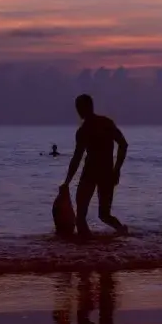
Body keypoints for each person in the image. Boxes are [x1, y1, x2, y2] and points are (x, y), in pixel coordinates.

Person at [61, 94, 128, 238]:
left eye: (79, 107)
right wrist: (116, 170)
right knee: (99, 215)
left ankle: (90, 247)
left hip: (97, 174)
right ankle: (118, 234)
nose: (78, 111)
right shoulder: (102, 124)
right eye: (77, 107)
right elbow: (77, 158)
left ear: (87, 107)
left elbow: (123, 144)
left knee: (94, 215)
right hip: (99, 173)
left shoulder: (95, 127)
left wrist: (117, 170)